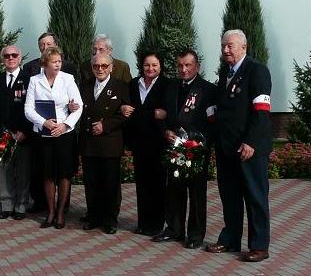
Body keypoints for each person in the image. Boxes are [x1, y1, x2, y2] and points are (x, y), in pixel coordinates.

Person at [206, 30, 272, 263]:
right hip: (227, 148)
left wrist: (251, 141)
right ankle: (231, 239)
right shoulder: (226, 72)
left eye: (230, 45)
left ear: (244, 47)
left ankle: (259, 246)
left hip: (249, 149)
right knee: (230, 197)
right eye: (223, 45)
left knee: (255, 197)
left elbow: (261, 112)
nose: (226, 50)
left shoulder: (257, 70)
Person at [153, 49, 216, 249]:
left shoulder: (208, 90)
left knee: (196, 193)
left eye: (188, 65)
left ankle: (195, 235)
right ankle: (174, 229)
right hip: (175, 147)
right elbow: (161, 115)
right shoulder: (171, 87)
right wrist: (165, 131)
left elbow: (213, 123)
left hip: (196, 149)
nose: (183, 69)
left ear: (197, 66)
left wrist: (200, 143)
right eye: (180, 65)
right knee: (174, 189)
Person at [24, 46, 83, 229]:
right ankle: (50, 212)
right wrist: (44, 123)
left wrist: (65, 125)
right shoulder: (35, 80)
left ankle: (60, 213)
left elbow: (79, 105)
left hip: (64, 133)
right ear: (45, 63)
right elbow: (28, 109)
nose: (58, 65)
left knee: (64, 174)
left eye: (59, 61)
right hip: (44, 133)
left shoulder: (68, 79)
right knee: (47, 174)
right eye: (54, 62)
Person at [79, 53, 129, 235]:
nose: (100, 69)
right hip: (89, 141)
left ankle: (110, 220)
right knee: (91, 182)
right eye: (96, 66)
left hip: (109, 142)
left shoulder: (120, 86)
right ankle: (94, 217)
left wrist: (105, 125)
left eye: (104, 66)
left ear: (111, 67)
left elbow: (126, 114)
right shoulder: (85, 85)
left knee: (110, 183)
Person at [122, 52, 170, 237]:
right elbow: (127, 107)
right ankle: (143, 223)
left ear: (161, 66)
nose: (150, 68)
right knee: (142, 184)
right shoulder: (134, 84)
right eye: (147, 65)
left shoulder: (167, 85)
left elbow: (166, 112)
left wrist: (142, 113)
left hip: (158, 142)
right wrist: (125, 108)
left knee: (157, 184)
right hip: (139, 142)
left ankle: (156, 224)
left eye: (154, 65)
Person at [0, 45, 32, 220]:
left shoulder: (30, 79)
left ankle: (21, 206)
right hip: (2, 135)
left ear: (20, 58)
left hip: (23, 135)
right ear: (2, 59)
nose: (10, 58)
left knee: (23, 172)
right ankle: (6, 206)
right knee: (4, 171)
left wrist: (25, 131)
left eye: (14, 55)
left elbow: (33, 109)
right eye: (7, 56)